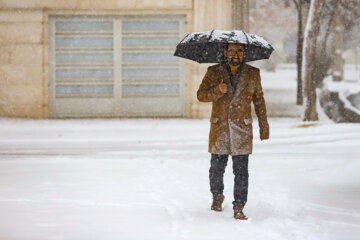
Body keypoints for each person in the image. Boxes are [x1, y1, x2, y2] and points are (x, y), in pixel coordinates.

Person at [197, 43, 269, 220]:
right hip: (220, 128)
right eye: (231, 51)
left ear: (244, 53)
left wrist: (263, 125)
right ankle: (217, 196)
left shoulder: (253, 73)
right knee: (216, 168)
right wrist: (217, 91)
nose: (235, 54)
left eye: (239, 51)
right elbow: (200, 95)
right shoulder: (214, 71)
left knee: (241, 171)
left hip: (241, 129)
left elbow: (259, 101)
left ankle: (239, 205)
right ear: (225, 53)